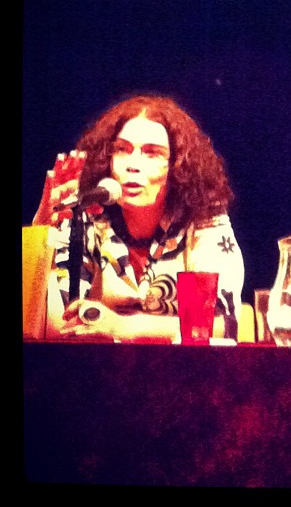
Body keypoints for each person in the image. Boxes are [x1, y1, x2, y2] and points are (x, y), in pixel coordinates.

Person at [33, 92, 245, 342]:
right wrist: (41, 232)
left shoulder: (203, 219)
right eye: (121, 150)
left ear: (177, 166)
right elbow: (54, 324)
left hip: (182, 365)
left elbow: (221, 325)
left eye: (152, 153)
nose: (132, 165)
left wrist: (123, 327)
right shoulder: (88, 215)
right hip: (102, 366)